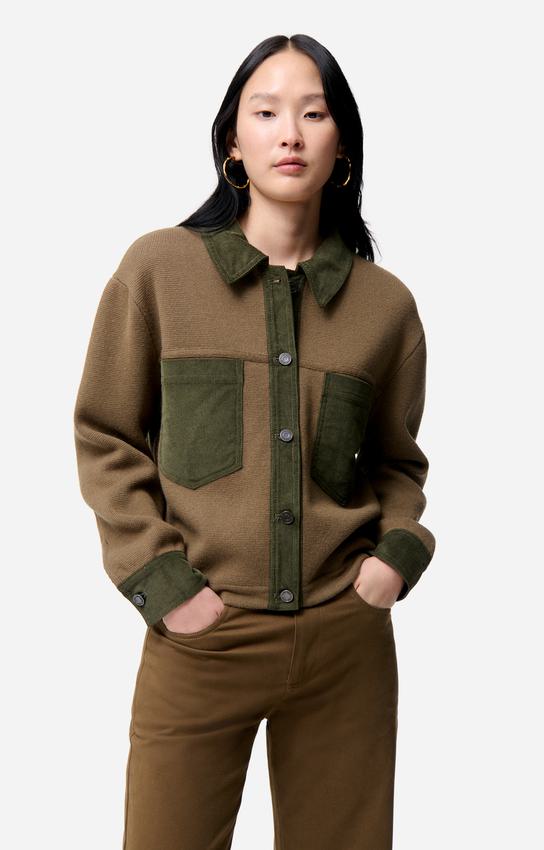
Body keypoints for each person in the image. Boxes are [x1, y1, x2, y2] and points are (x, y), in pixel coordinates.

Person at [73, 33, 436, 850]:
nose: (290, 134)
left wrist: (394, 558)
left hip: (345, 641)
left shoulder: (385, 307)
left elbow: (396, 463)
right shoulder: (158, 270)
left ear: (343, 146)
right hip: (202, 636)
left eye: (315, 114)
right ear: (232, 142)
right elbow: (105, 434)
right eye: (266, 113)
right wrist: (164, 584)